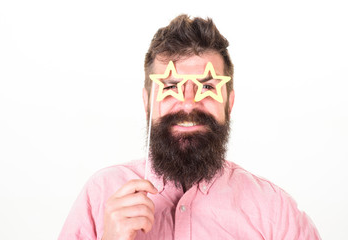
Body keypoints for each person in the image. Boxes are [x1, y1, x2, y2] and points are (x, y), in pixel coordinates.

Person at [59, 15, 320, 240]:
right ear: (147, 103)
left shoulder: (275, 210)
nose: (187, 103)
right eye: (170, 87)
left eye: (207, 87)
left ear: (229, 103)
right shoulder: (101, 195)